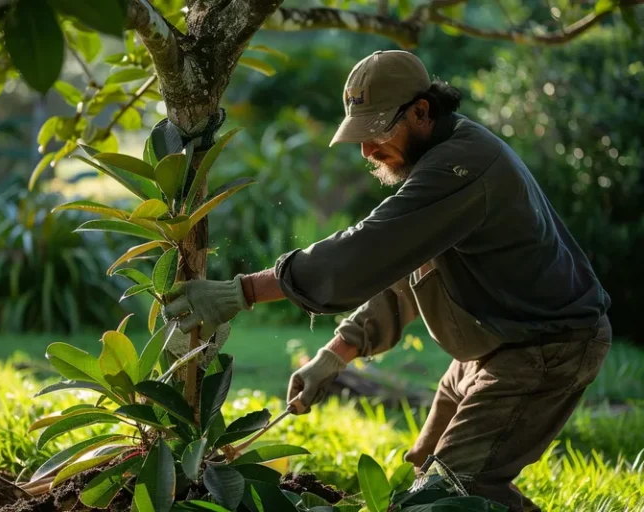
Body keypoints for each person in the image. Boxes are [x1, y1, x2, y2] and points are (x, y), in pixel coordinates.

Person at [162, 50, 611, 512]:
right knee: (428, 469)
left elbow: (362, 254)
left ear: (421, 111)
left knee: (448, 495)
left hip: (545, 347)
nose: (366, 150)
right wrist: (335, 355)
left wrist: (244, 291)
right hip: (495, 344)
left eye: (377, 132)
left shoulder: (464, 165)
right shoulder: (441, 162)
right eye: (360, 135)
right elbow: (405, 277)